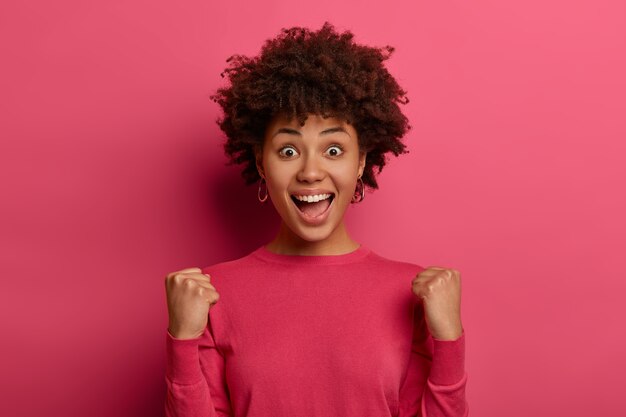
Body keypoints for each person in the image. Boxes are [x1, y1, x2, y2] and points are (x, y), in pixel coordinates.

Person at [164, 22, 468, 417]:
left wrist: (449, 339)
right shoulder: (211, 294)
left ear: (361, 161)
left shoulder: (414, 292)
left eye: (334, 150)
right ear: (261, 161)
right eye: (288, 151)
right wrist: (182, 341)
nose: (310, 172)